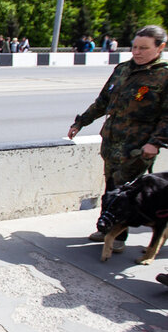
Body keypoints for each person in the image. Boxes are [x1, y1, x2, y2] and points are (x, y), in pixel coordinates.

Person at [68, 25, 167, 252]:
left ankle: (118, 238)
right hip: (112, 143)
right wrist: (81, 122)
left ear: (160, 47)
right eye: (134, 47)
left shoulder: (163, 75)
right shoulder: (123, 70)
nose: (137, 52)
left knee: (125, 192)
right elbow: (103, 101)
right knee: (111, 187)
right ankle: (106, 227)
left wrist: (156, 142)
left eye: (144, 48)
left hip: (138, 147)